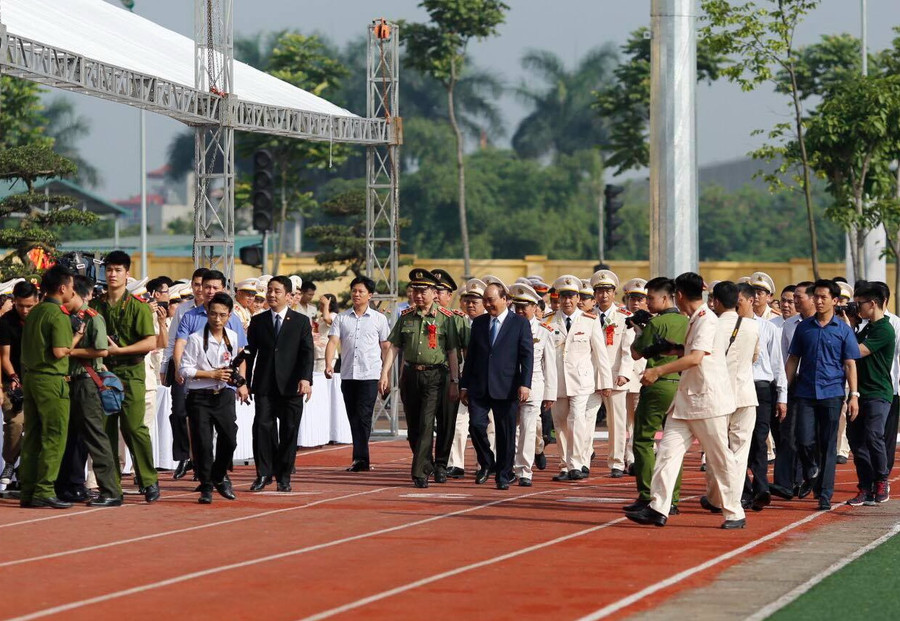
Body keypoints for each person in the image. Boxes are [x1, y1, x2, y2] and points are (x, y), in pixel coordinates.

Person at [627, 272, 744, 529]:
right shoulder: (694, 319)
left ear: (678, 295)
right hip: (687, 400)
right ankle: (658, 507)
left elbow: (696, 358)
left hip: (707, 401)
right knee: (668, 453)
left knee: (719, 457)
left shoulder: (706, 320)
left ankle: (734, 512)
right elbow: (687, 352)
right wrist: (667, 348)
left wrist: (658, 370)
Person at [380, 269, 460, 488]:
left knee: (427, 423)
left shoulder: (446, 319)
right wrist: (384, 373)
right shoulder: (406, 317)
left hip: (436, 375)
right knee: (414, 428)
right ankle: (428, 463)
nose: (418, 295)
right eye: (415, 290)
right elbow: (394, 346)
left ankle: (420, 472)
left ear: (434, 293)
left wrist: (455, 381)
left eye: (423, 290)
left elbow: (452, 351)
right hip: (410, 374)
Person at [90, 251, 160, 503]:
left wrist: (120, 350)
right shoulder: (95, 306)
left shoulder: (138, 306)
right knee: (106, 430)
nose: (112, 274)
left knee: (133, 427)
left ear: (127, 273)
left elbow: (150, 342)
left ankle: (149, 479)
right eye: (109, 269)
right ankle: (111, 486)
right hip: (104, 374)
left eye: (118, 270)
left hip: (131, 372)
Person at [785, 279, 860, 510]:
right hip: (805, 392)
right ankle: (811, 469)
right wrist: (784, 391)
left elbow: (849, 364)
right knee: (804, 439)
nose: (818, 301)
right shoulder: (803, 328)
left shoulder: (844, 331)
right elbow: (793, 359)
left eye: (823, 297)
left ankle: (825, 493)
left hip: (832, 393)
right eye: (815, 296)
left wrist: (854, 395)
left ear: (835, 301)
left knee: (828, 444)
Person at [623, 277, 689, 514]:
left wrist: (640, 330)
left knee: (642, 440)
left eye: (650, 298)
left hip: (658, 384)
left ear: (665, 297)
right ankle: (672, 498)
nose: (646, 303)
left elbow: (635, 354)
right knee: (673, 445)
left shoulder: (656, 324)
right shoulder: (688, 321)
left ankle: (647, 495)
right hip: (681, 385)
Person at [54, 275, 122, 507]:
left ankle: (110, 490)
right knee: (70, 436)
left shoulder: (93, 318)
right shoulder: (66, 317)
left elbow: (102, 351)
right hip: (70, 382)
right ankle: (66, 486)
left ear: (74, 294)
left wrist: (70, 352)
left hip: (86, 381)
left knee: (94, 435)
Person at [459, 282, 533, 490]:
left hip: (506, 386)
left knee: (505, 434)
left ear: (505, 299)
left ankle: (503, 474)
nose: (487, 304)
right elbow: (471, 356)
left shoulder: (519, 323)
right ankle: (488, 461)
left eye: (491, 300)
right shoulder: (480, 323)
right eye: (485, 300)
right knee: (476, 425)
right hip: (479, 386)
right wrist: (464, 385)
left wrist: (524, 384)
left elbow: (527, 356)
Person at [245, 275, 314, 492]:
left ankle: (284, 475)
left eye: (276, 291)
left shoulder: (301, 321)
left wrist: (305, 378)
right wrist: (244, 383)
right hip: (265, 385)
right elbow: (249, 354)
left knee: (289, 431)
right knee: (262, 429)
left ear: (288, 295)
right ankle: (264, 473)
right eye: (269, 291)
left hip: (292, 386)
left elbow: (307, 353)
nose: (271, 295)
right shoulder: (258, 321)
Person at [180, 292, 249, 504]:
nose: (217, 319)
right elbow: (184, 369)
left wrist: (240, 382)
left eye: (222, 315)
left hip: (223, 395)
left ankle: (219, 475)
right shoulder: (195, 339)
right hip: (200, 395)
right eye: (213, 314)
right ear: (207, 313)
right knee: (202, 443)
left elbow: (234, 364)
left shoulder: (233, 337)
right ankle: (207, 485)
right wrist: (211, 374)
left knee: (230, 437)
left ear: (229, 316)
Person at [19, 265, 79, 509]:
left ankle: (29, 490)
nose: (73, 291)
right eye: (72, 287)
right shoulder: (59, 315)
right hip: (52, 380)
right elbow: (59, 351)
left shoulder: (34, 312)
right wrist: (76, 339)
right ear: (63, 288)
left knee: (32, 436)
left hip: (31, 378)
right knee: (54, 436)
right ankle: (44, 489)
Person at [544, 275, 612, 482]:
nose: (567, 301)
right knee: (560, 424)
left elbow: (600, 354)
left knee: (577, 420)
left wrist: (605, 382)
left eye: (571, 296)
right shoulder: (547, 322)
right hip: (557, 381)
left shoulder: (589, 321)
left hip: (581, 381)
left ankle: (576, 464)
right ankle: (565, 465)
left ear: (577, 298)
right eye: (563, 296)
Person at [701, 282, 759, 515]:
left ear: (715, 301)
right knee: (739, 452)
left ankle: (716, 498)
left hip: (717, 395)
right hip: (745, 394)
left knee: (716, 450)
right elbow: (755, 357)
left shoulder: (710, 325)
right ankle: (732, 500)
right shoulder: (753, 327)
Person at [324, 276, 390, 472]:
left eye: (361, 291)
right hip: (348, 375)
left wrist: (385, 374)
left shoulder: (379, 319)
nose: (356, 294)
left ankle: (361, 458)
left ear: (370, 295)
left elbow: (386, 347)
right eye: (354, 290)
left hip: (370, 374)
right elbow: (333, 342)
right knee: (353, 416)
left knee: (364, 416)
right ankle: (360, 457)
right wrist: (329, 363)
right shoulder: (342, 318)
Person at [845, 282, 895, 506]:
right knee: (856, 441)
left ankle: (881, 480)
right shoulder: (866, 327)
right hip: (860, 392)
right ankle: (865, 486)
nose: (857, 308)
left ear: (872, 303)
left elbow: (857, 351)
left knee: (874, 435)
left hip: (878, 392)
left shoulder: (885, 328)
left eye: (859, 303)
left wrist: (847, 327)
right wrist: (853, 326)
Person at [740, 282, 788, 511]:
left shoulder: (769, 328)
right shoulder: (728, 326)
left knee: (759, 438)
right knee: (738, 440)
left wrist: (782, 397)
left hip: (761, 387)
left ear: (750, 301)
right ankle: (743, 489)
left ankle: (761, 488)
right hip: (737, 387)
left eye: (740, 300)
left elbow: (778, 365)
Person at [160, 267, 208, 481]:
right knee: (178, 413)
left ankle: (201, 460)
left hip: (207, 371)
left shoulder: (218, 310)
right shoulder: (183, 310)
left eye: (203, 285)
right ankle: (184, 457)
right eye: (196, 285)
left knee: (200, 419)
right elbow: (172, 341)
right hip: (182, 368)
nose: (199, 289)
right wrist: (165, 366)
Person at [509, 283, 556, 486]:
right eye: (517, 306)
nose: (521, 311)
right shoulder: (507, 328)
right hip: (509, 385)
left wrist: (550, 393)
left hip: (535, 385)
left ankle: (524, 470)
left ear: (534, 306)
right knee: (513, 429)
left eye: (525, 306)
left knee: (529, 428)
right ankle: (511, 466)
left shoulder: (544, 331)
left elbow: (550, 364)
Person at [589, 269, 636, 478]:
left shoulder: (625, 317)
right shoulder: (587, 317)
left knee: (617, 422)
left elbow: (627, 349)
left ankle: (617, 462)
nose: (603, 295)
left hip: (615, 375)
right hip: (589, 376)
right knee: (584, 419)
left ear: (614, 292)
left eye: (607, 290)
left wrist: (625, 373)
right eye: (599, 291)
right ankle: (580, 461)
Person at [447, 278, 487, 478]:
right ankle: (456, 463)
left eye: (475, 301)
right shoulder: (456, 320)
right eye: (467, 301)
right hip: (462, 377)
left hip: (486, 381)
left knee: (487, 426)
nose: (470, 305)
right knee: (458, 423)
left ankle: (485, 463)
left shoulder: (492, 321)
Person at [0, 280, 39, 487]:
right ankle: (9, 462)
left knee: (36, 426)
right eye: (20, 305)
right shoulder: (6, 322)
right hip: (12, 381)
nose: (24, 310)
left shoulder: (43, 318)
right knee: (15, 423)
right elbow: (4, 356)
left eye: (29, 306)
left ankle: (26, 469)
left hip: (39, 380)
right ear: (14, 302)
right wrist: (14, 378)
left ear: (37, 301)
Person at [431, 268, 467, 483]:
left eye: (440, 291)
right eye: (432, 290)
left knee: (450, 423)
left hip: (449, 376)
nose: (435, 295)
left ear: (449, 295)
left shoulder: (457, 319)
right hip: (424, 376)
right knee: (424, 424)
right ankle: (427, 462)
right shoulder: (418, 316)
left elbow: (465, 352)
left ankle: (450, 463)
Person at [621, 278, 649, 476]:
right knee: (625, 421)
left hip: (642, 375)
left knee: (640, 420)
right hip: (623, 377)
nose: (636, 302)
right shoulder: (619, 318)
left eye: (640, 298)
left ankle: (635, 456)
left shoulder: (652, 320)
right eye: (632, 298)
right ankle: (628, 457)